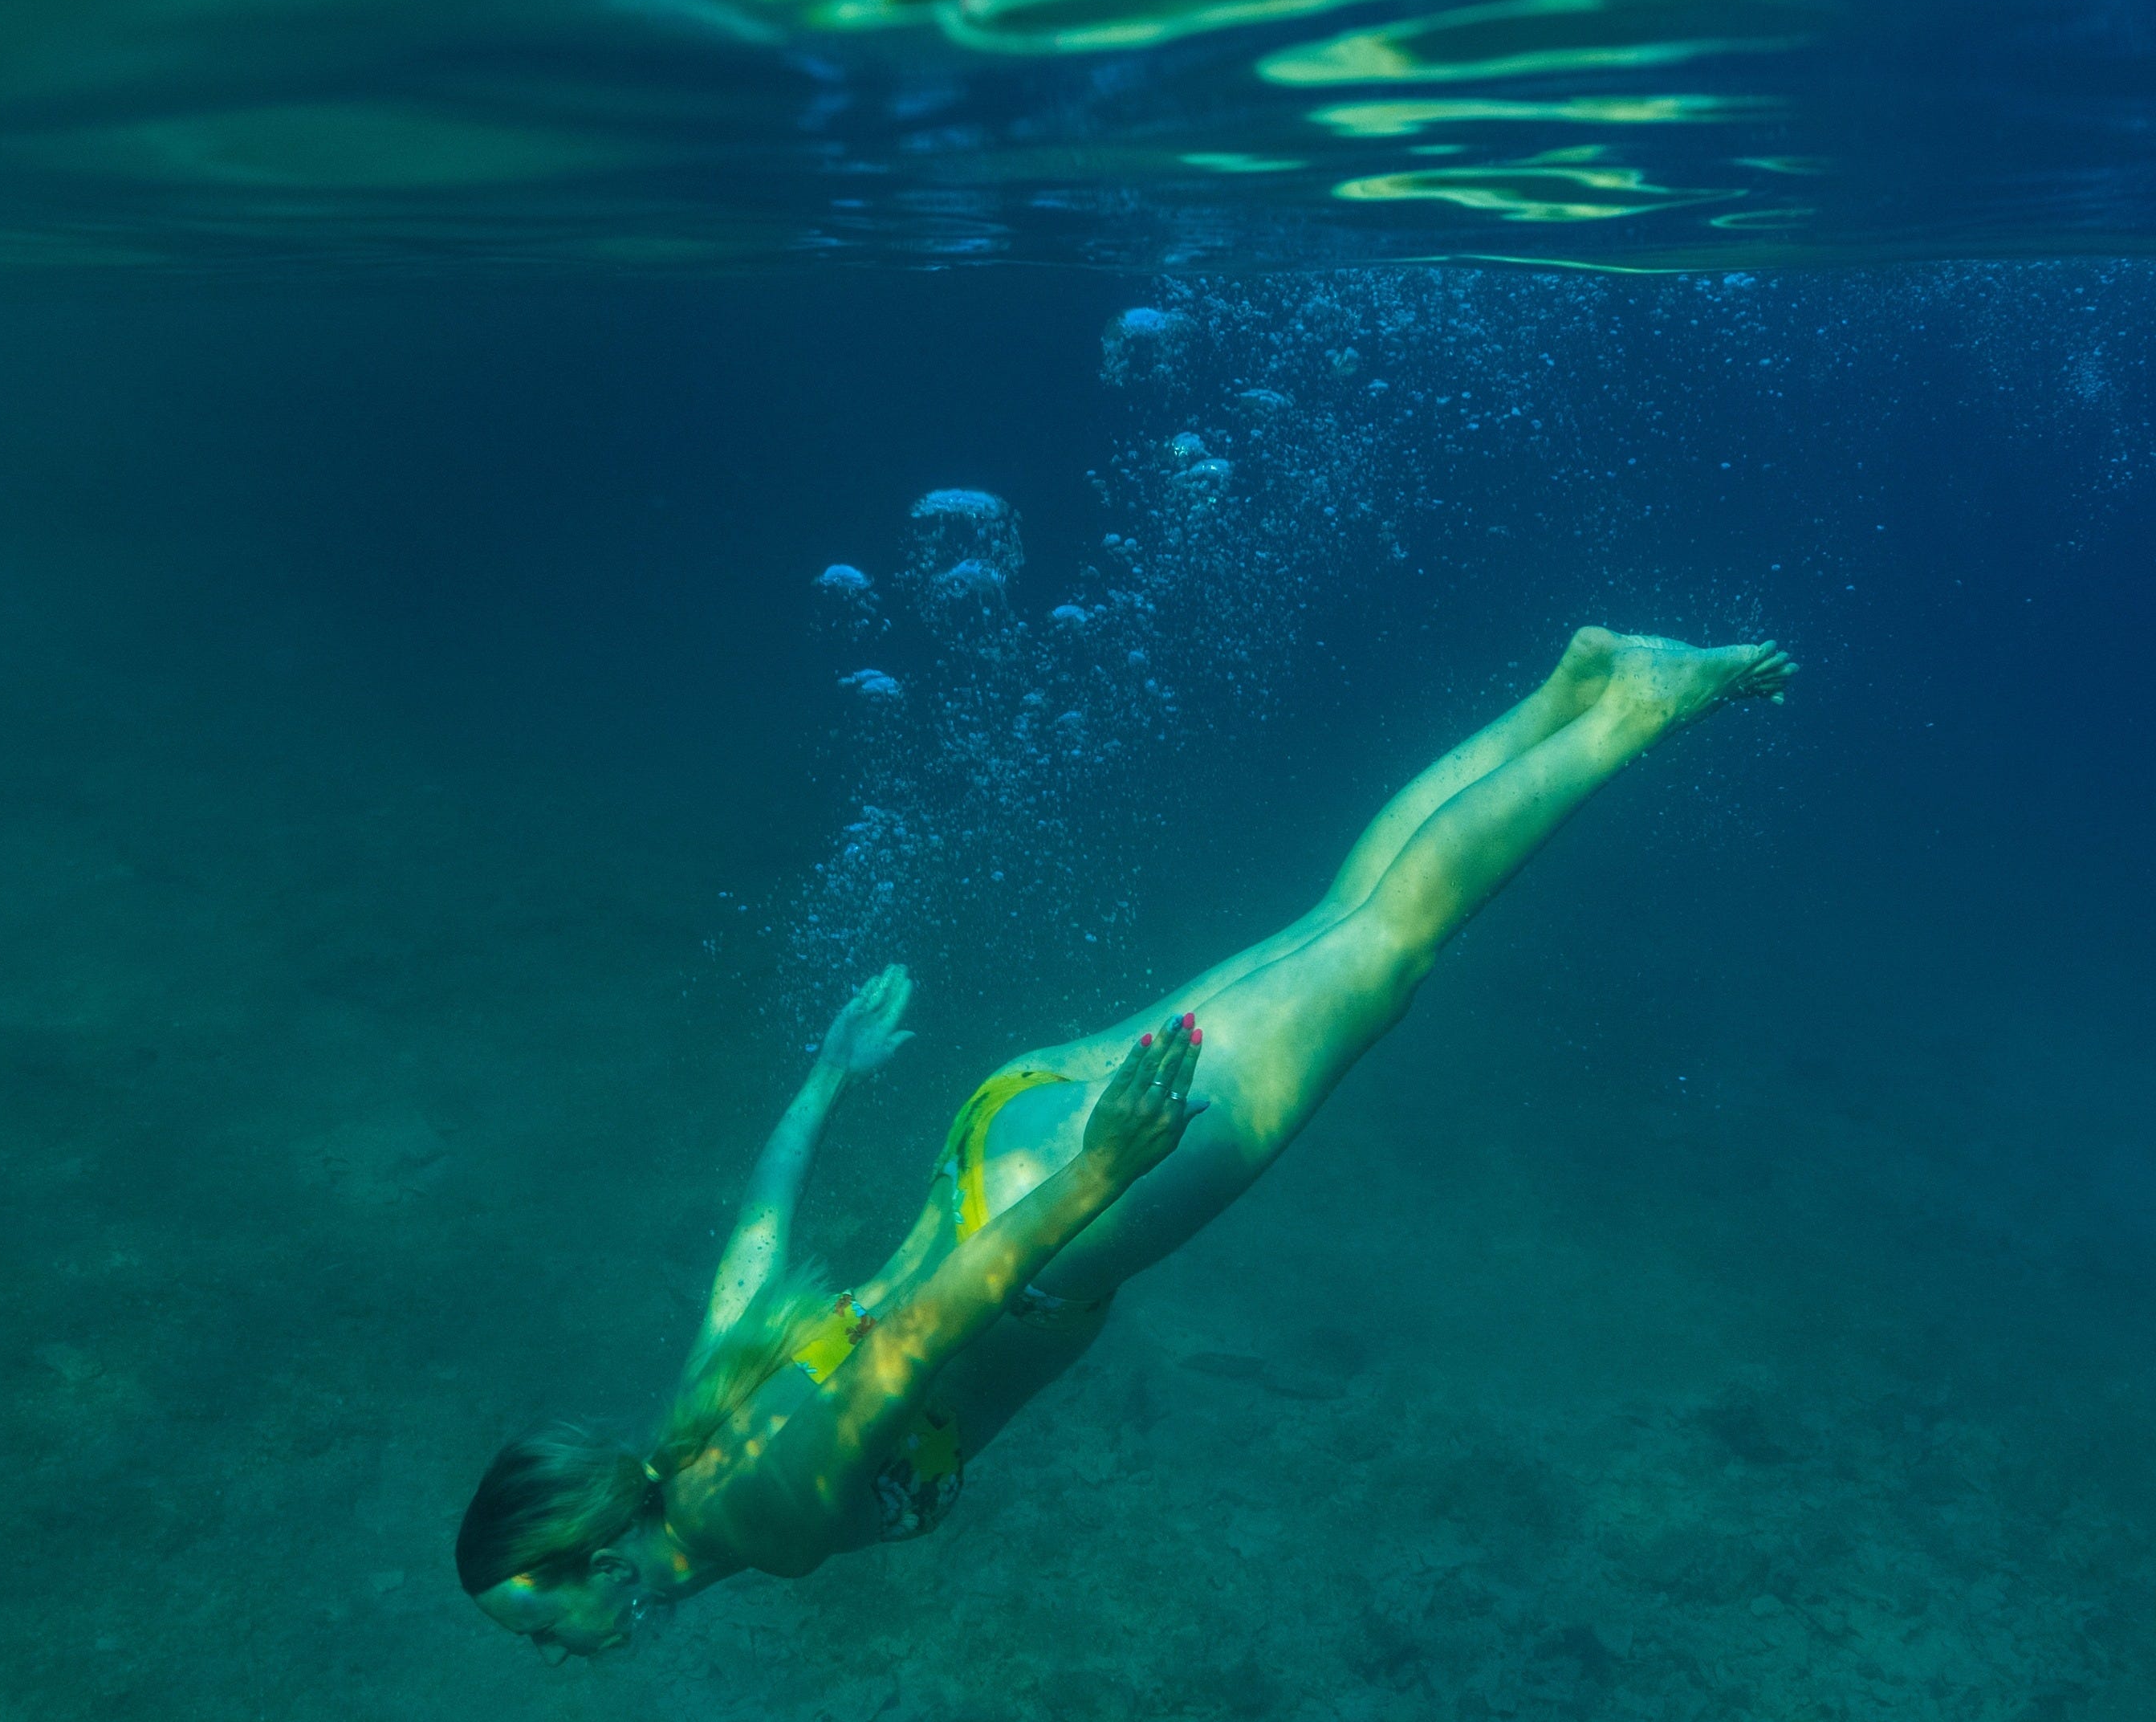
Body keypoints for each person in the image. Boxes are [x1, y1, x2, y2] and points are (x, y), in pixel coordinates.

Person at [462, 628, 1796, 1652]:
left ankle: (1640, 708)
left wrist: (1108, 1168)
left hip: (1058, 1221)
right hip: (997, 1129)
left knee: (1391, 949)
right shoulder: (692, 1423)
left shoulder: (764, 1515)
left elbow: (924, 1332)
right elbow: (753, 1249)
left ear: (599, 1558)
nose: (565, 1656)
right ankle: (1573, 688)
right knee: (1338, 923)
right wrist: (825, 1078)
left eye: (548, 1630)